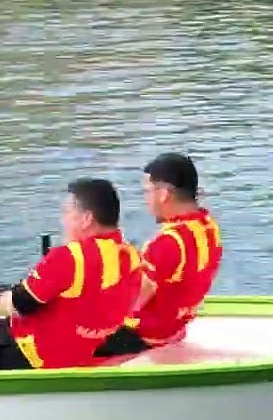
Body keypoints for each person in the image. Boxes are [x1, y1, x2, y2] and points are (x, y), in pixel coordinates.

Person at [0, 177, 142, 372]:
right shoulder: (131, 256)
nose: (63, 221)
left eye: (67, 213)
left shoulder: (69, 257)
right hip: (86, 349)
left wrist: (1, 296)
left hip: (36, 354)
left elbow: (21, 304)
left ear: (86, 219)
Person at [94, 153, 223, 357]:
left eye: (147, 191)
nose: (146, 200)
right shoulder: (208, 227)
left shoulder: (167, 243)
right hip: (174, 330)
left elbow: (132, 301)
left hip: (142, 337)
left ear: (163, 194)